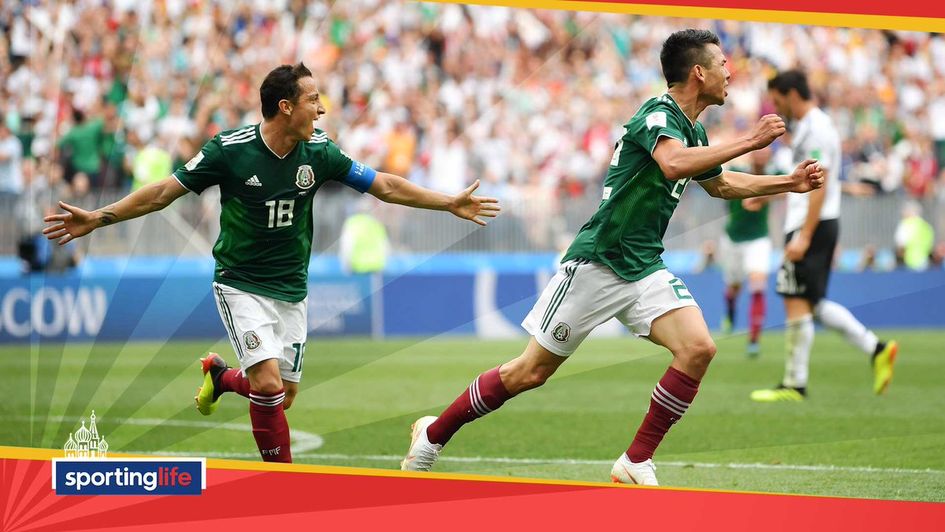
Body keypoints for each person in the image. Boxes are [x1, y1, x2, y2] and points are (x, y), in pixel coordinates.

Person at [400, 29, 825, 486]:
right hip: (597, 261)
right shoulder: (656, 114)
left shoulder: (694, 129)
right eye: (723, 63)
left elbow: (721, 184)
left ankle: (635, 460)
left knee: (698, 348)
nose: (730, 72)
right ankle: (432, 434)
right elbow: (674, 165)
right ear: (698, 72)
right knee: (529, 372)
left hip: (644, 265)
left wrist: (788, 183)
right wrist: (749, 140)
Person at [43, 63, 501, 463]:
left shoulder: (320, 152)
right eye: (313, 100)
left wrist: (447, 203)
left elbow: (383, 185)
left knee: (283, 396)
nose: (321, 110)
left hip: (291, 290)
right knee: (266, 386)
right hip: (239, 282)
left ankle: (222, 378)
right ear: (285, 107)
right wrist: (99, 218)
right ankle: (281, 484)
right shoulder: (229, 150)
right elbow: (165, 192)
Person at [750, 70, 898, 403]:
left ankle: (795, 384)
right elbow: (801, 182)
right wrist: (763, 195)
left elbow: (821, 184)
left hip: (810, 225)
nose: (776, 107)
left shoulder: (816, 128)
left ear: (790, 94)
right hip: (812, 223)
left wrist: (804, 235)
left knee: (795, 299)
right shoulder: (811, 128)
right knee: (810, 303)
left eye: (776, 100)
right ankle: (876, 349)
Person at [718, 146, 775, 357]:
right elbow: (720, 185)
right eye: (758, 150)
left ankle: (754, 340)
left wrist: (762, 197)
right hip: (733, 239)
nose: (761, 154)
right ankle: (731, 313)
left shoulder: (775, 175)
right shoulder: (736, 171)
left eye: (765, 152)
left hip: (758, 239)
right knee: (733, 288)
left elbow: (787, 189)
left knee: (758, 286)